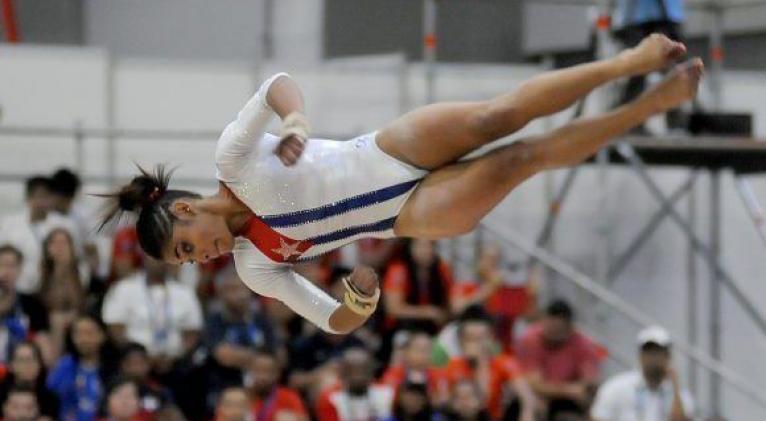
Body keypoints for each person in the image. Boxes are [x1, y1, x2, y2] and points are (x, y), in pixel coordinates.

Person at [97, 34, 702, 334]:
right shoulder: (256, 267)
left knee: (500, 116)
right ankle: (645, 108)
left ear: (182, 210)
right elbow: (334, 321)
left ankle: (629, 62)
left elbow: (277, 82)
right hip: (412, 212)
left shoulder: (233, 159)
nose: (201, 259)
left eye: (186, 248)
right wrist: (360, 302)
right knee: (524, 157)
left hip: (387, 150)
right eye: (188, 263)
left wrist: (297, 120)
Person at [101, 255, 203, 370]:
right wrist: (139, 357)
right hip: (135, 364)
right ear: (145, 257)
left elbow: (192, 331)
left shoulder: (184, 292)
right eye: (154, 256)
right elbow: (115, 329)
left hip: (175, 363)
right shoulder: (124, 289)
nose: (158, 261)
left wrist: (177, 355)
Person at [444, 308, 536, 421]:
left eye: (480, 338)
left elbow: (527, 398)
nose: (476, 344)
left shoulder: (505, 362)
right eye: (470, 338)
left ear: (491, 338)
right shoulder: (453, 366)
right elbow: (452, 405)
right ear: (461, 341)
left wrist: (482, 363)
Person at [516, 300, 601, 421]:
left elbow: (589, 383)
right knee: (529, 403)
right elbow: (534, 384)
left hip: (567, 402)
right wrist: (569, 390)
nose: (553, 333)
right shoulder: (531, 339)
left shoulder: (583, 344)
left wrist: (579, 391)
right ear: (543, 322)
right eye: (550, 328)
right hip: (536, 396)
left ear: (570, 328)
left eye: (558, 329)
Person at [206, 263, 281, 396]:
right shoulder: (215, 319)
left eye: (242, 288)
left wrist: (245, 358)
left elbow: (279, 354)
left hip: (263, 384)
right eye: (232, 289)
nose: (239, 295)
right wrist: (260, 360)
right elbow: (224, 355)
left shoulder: (261, 317)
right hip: (227, 383)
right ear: (221, 293)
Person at [590, 326, 694, 421]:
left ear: (668, 356)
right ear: (640, 355)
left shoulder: (680, 393)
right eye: (649, 352)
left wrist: (675, 385)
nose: (653, 358)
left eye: (658, 352)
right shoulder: (616, 387)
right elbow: (598, 417)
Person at [613, 0, 686, 133]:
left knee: (665, 73)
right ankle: (627, 124)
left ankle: (674, 125)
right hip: (645, 17)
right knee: (638, 73)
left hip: (659, 16)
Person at [0, 176, 77, 294]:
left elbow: (73, 259)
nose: (42, 202)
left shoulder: (64, 225)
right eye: (38, 196)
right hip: (19, 289)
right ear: (28, 198)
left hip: (52, 291)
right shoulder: (10, 224)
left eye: (46, 196)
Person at [47, 315, 115, 421]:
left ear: (102, 335)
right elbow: (51, 396)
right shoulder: (64, 366)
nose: (83, 339)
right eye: (78, 333)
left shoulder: (112, 369)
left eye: (89, 333)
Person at [383, 239, 454, 335]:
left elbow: (450, 301)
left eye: (431, 246)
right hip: (402, 328)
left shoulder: (442, 269)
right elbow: (393, 309)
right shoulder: (398, 269)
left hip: (433, 328)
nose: (427, 250)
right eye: (421, 246)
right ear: (410, 247)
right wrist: (428, 312)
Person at [39, 229, 88, 360]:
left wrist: (66, 268)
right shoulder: (42, 274)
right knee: (57, 319)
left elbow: (78, 302)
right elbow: (50, 304)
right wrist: (58, 270)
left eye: (63, 242)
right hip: (47, 325)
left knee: (61, 319)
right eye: (54, 243)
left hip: (78, 319)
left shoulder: (81, 271)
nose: (59, 247)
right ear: (47, 249)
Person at [0, 245, 51, 366]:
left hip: (20, 369)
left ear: (20, 269)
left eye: (11, 266)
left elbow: (46, 351)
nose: (5, 271)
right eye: (1, 264)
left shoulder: (33, 304)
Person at [316, 347, 394, 421]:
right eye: (353, 372)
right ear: (343, 373)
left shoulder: (386, 392)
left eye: (363, 371)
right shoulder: (330, 398)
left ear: (371, 372)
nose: (359, 377)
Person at [380, 332, 448, 405]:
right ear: (407, 352)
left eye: (427, 350)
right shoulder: (394, 373)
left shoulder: (438, 374)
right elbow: (386, 400)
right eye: (419, 349)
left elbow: (443, 400)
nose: (423, 354)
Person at [0, 342, 58, 419]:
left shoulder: (49, 399)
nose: (28, 365)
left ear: (40, 364)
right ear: (10, 366)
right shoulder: (1, 393)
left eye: (32, 359)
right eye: (22, 360)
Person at [246, 350, 307, 421]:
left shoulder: (288, 396)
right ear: (250, 371)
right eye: (257, 370)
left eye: (267, 371)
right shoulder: (241, 396)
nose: (262, 377)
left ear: (277, 374)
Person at [117, 343, 174, 419]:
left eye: (142, 362)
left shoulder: (159, 391)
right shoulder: (114, 392)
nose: (139, 368)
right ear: (124, 366)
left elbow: (171, 415)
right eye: (134, 363)